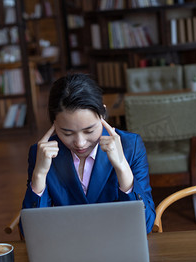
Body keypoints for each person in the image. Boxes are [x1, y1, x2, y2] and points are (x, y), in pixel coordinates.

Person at [22, 73, 156, 233]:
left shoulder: (130, 146)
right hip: (67, 246)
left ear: (102, 115)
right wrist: (39, 175)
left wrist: (122, 167)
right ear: (54, 124)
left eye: (89, 130)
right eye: (67, 133)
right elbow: (30, 231)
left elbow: (145, 224)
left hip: (116, 241)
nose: (80, 142)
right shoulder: (40, 154)